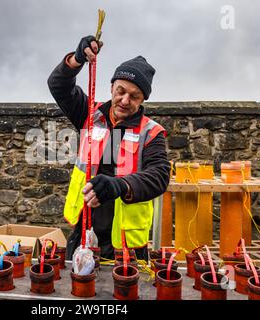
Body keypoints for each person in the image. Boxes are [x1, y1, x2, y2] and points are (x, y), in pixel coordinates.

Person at [48, 35, 171, 261]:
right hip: (83, 232)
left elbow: (160, 176)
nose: (125, 100)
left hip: (125, 247)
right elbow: (58, 86)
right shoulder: (90, 115)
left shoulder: (151, 133)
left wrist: (120, 185)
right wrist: (76, 60)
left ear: (143, 99)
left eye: (134, 96)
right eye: (121, 91)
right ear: (112, 86)